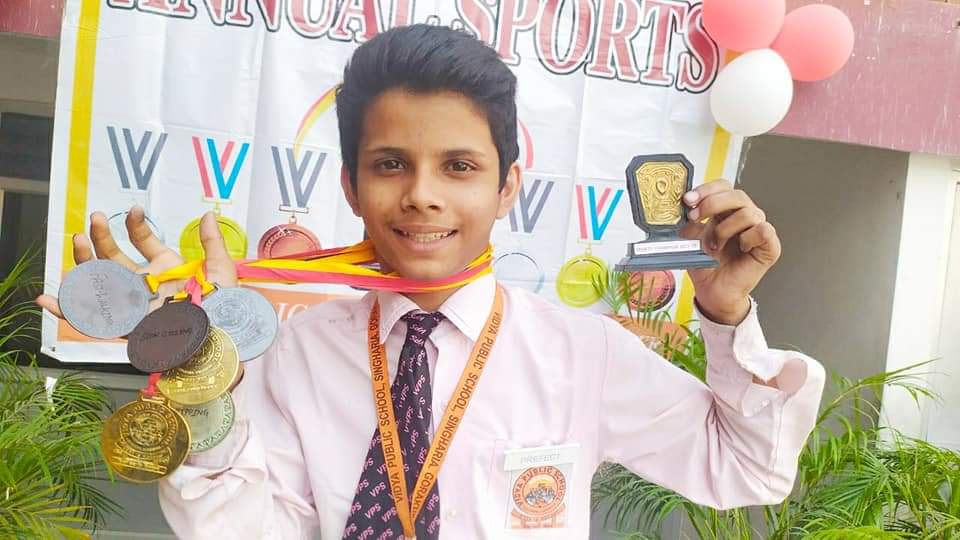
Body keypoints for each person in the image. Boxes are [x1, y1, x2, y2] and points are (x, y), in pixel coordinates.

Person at [38, 24, 825, 539]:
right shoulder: (298, 351)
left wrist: (726, 311)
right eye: (390, 164)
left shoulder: (579, 354)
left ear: (508, 186)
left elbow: (747, 468)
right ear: (350, 188)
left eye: (459, 166)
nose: (422, 195)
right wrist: (196, 366)